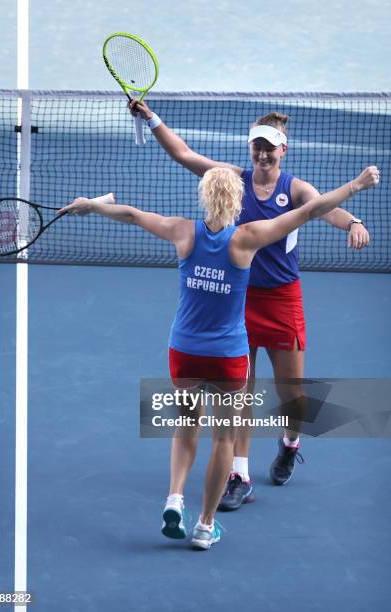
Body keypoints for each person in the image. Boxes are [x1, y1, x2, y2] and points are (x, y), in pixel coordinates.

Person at [60, 165, 378, 549]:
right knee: (224, 438)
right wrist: (356, 185)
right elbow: (310, 211)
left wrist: (91, 206)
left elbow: (130, 214)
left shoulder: (182, 231)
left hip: (184, 353)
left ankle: (175, 497)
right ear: (237, 201)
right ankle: (205, 526)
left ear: (205, 197)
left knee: (185, 428)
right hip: (227, 358)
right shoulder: (247, 238)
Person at [129, 100, 372, 509]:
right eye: (256, 147)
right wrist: (151, 118)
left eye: (269, 148)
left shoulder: (294, 189)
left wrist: (353, 222)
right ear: (251, 149)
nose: (262, 154)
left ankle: (290, 442)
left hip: (282, 299)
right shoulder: (233, 180)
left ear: (283, 151)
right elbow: (183, 154)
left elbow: (321, 208)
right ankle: (238, 473)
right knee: (240, 392)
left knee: (291, 394)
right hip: (238, 299)